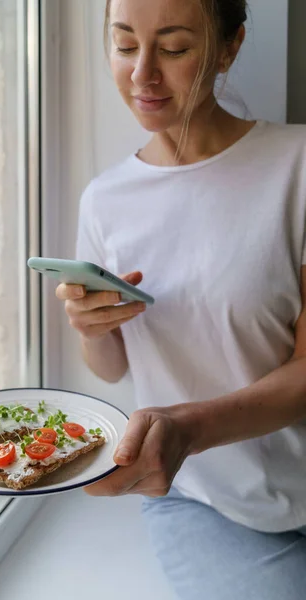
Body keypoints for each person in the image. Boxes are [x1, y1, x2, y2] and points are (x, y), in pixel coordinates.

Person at [56, 0, 306, 598]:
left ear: (229, 46)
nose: (142, 73)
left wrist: (188, 425)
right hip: (198, 499)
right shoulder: (104, 200)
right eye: (123, 45)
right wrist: (93, 329)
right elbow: (114, 367)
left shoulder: (297, 165)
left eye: (172, 48)